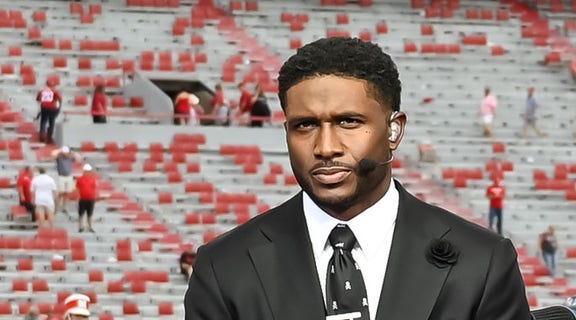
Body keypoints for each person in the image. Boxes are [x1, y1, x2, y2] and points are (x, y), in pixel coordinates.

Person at [185, 37, 530, 320]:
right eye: (305, 125)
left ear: (394, 131)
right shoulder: (224, 268)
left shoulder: (483, 262)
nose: (325, 147)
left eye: (348, 122)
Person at [51, 146, 82, 214]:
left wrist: (72, 152)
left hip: (69, 177)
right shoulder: (59, 158)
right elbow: (53, 154)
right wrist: (60, 150)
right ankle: (57, 207)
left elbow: (79, 158)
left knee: (67, 193)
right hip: (61, 176)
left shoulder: (70, 158)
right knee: (61, 192)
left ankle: (64, 207)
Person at [36, 79, 62, 143]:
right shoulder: (55, 91)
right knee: (52, 121)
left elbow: (38, 99)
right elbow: (60, 99)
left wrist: (43, 101)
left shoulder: (42, 91)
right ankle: (49, 135)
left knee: (43, 121)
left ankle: (42, 135)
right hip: (53, 108)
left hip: (44, 107)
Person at [75, 164, 97, 233]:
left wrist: (94, 197)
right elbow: (77, 188)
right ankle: (81, 227)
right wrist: (78, 196)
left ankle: (90, 227)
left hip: (91, 198)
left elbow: (94, 189)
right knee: (81, 214)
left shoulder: (93, 179)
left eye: (89, 171)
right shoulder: (79, 179)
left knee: (90, 214)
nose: (88, 172)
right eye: (87, 171)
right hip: (82, 199)